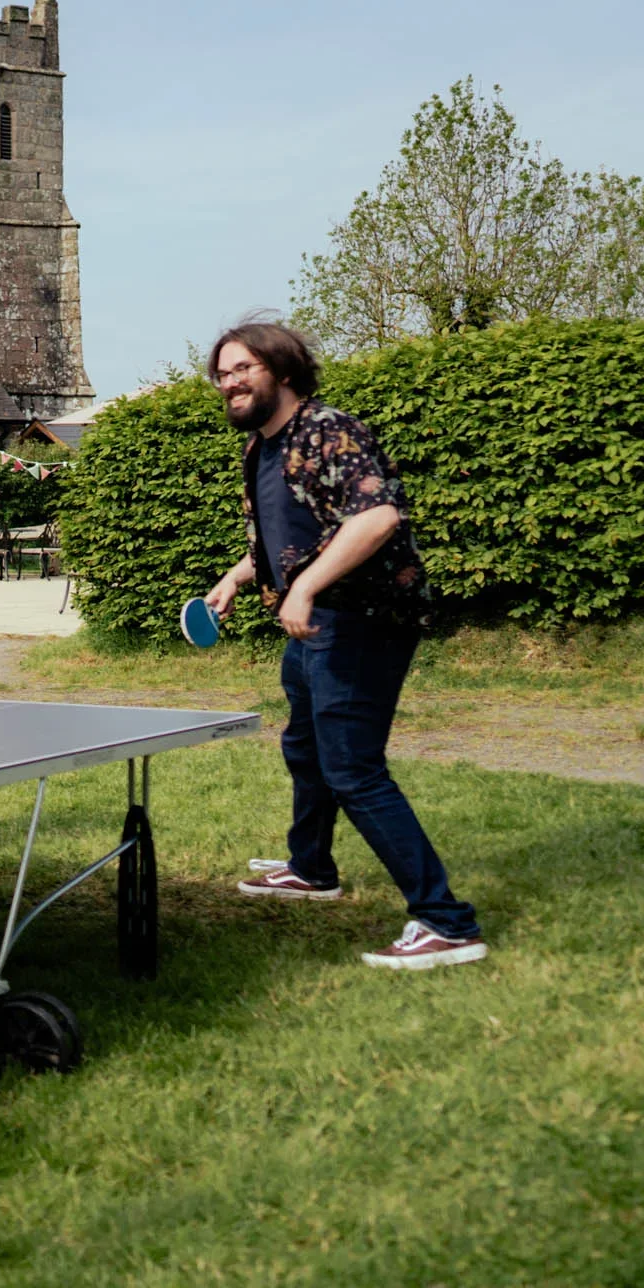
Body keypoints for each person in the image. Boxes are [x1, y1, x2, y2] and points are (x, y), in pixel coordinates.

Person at [200, 318, 487, 970]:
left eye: (243, 368)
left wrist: (304, 591)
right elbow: (292, 534)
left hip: (358, 618)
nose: (230, 382)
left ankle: (446, 922)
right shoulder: (262, 448)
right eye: (222, 372)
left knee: (352, 769)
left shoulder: (330, 429)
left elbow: (379, 516)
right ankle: (311, 868)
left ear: (284, 370)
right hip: (316, 622)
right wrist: (240, 576)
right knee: (305, 745)